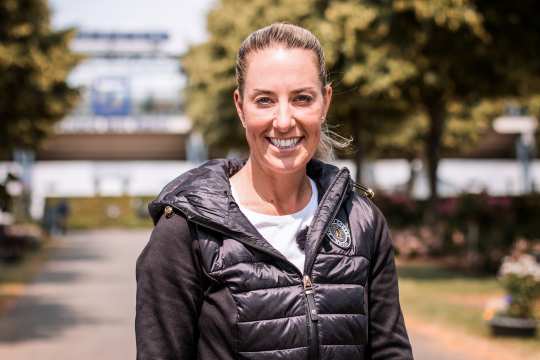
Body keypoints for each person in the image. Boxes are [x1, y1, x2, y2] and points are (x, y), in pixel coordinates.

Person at [136, 23, 413, 360]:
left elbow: (391, 352)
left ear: (325, 102)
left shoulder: (361, 221)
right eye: (265, 100)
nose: (283, 121)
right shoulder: (183, 231)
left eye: (302, 98)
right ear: (240, 107)